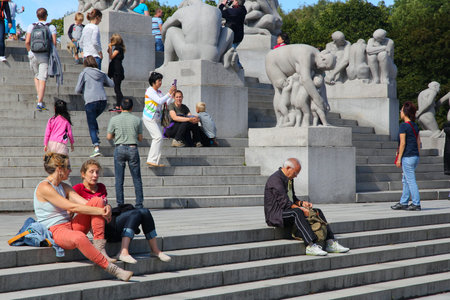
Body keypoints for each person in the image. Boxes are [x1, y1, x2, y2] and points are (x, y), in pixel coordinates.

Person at [34, 152, 133, 281]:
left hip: (70, 225)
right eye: (68, 168)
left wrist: (104, 207)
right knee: (80, 237)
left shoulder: (64, 186)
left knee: (97, 200)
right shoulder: (44, 187)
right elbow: (72, 207)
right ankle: (113, 269)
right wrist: (100, 211)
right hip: (56, 230)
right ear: (59, 169)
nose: (70, 171)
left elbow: (86, 204)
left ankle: (99, 248)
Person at [73, 159, 171, 264]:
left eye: (97, 172)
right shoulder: (77, 189)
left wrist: (108, 207)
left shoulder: (101, 187)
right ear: (83, 174)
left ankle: (155, 250)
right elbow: (72, 208)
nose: (95, 175)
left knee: (144, 211)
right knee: (135, 213)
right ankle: (123, 252)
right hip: (100, 230)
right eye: (91, 172)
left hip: (111, 222)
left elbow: (105, 206)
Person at [264, 158, 349, 256]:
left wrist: (301, 203)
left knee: (317, 211)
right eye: (295, 173)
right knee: (297, 212)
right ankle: (310, 245)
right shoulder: (275, 179)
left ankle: (330, 242)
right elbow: (285, 202)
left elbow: (293, 198)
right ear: (288, 168)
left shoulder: (289, 179)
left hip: (287, 210)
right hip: (276, 215)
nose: (296, 176)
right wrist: (301, 209)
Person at [107, 98, 145, 208]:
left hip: (119, 148)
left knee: (119, 179)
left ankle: (120, 204)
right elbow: (140, 138)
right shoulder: (137, 120)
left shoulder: (114, 120)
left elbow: (109, 137)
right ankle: (139, 204)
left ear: (120, 107)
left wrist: (117, 136)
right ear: (132, 107)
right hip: (133, 148)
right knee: (137, 178)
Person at [75, 55, 114, 157]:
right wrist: (100, 83)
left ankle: (96, 147)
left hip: (90, 101)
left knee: (91, 124)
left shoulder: (83, 73)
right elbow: (111, 84)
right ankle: (96, 133)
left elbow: (77, 89)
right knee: (93, 120)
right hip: (102, 101)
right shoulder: (101, 73)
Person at [25, 7, 57, 111]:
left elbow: (27, 41)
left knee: (36, 76)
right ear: (46, 15)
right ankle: (39, 102)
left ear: (37, 16)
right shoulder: (50, 27)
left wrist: (30, 51)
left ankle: (39, 96)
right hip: (44, 55)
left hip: (33, 54)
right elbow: (54, 42)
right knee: (43, 79)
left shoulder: (31, 26)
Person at [391, 101, 421, 211]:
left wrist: (399, 158)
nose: (400, 113)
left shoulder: (403, 126)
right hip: (414, 156)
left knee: (410, 180)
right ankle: (403, 202)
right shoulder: (414, 125)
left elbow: (402, 143)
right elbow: (418, 142)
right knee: (406, 180)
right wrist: (417, 154)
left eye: (401, 110)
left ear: (405, 112)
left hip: (407, 157)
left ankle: (416, 203)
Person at [143, 71, 176, 167]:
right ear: (153, 81)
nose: (160, 82)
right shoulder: (150, 91)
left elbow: (166, 102)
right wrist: (169, 93)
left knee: (159, 139)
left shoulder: (159, 92)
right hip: (149, 117)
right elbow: (160, 101)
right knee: (158, 137)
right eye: (159, 80)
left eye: (161, 80)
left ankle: (155, 161)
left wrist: (172, 95)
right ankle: (151, 159)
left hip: (157, 118)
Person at [107, 33, 125, 112]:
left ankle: (119, 105)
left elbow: (111, 57)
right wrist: (109, 49)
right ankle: (120, 105)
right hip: (116, 70)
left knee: (117, 89)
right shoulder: (119, 48)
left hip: (117, 71)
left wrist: (110, 48)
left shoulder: (118, 48)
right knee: (117, 88)